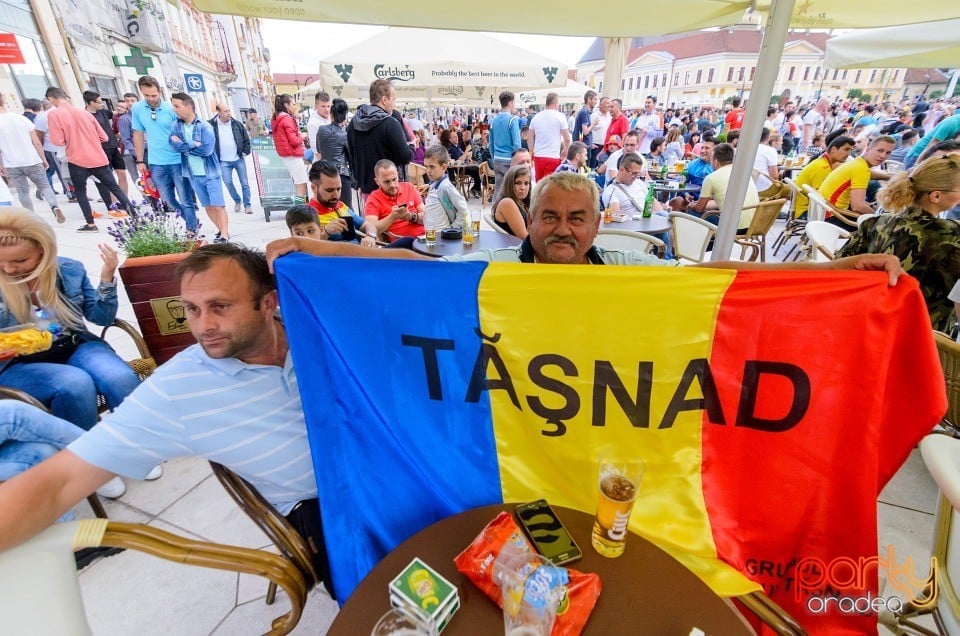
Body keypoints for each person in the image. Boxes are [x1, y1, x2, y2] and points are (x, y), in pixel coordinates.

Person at [0, 243, 334, 597]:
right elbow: (58, 483)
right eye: (192, 309)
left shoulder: (316, 330)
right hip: (322, 511)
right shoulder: (177, 389)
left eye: (220, 306)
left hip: (382, 470)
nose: (204, 326)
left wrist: (319, 247)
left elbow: (396, 273)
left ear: (268, 303)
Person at [265, 172, 903, 288]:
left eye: (576, 219)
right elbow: (412, 265)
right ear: (530, 219)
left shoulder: (624, 269)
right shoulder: (501, 270)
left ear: (599, 224)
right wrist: (311, 246)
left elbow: (717, 272)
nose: (561, 230)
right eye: (549, 216)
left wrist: (832, 270)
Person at [837, 154, 960, 333]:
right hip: (922, 333)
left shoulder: (874, 223)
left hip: (865, 322)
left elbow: (840, 266)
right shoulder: (949, 235)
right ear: (936, 195)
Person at [45, 88, 136, 232]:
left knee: (81, 192)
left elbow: (57, 140)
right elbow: (104, 137)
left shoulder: (54, 115)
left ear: (51, 99)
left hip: (77, 159)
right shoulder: (84, 113)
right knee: (115, 188)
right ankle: (135, 218)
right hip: (98, 157)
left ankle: (91, 224)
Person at [131, 75, 198, 237]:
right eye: (146, 95)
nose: (151, 99)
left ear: (159, 91)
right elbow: (138, 134)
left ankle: (191, 228)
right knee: (167, 200)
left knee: (185, 198)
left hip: (177, 160)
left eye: (154, 95)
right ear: (141, 92)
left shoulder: (171, 109)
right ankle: (191, 220)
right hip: (156, 162)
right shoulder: (138, 109)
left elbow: (187, 128)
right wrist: (140, 160)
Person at [170, 93, 229, 243]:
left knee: (218, 205)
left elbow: (206, 150)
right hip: (192, 173)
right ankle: (219, 229)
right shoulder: (176, 125)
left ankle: (225, 234)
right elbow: (172, 145)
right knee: (208, 206)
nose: (175, 110)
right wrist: (193, 144)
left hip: (210, 173)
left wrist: (184, 146)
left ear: (188, 107)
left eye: (177, 106)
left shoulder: (204, 126)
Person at [347, 80, 413, 202]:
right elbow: (404, 157)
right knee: (393, 221)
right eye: (393, 99)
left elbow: (351, 156)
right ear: (384, 100)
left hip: (366, 190)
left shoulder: (353, 123)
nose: (394, 104)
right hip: (389, 190)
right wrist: (412, 147)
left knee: (372, 221)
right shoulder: (390, 123)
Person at [0, 93, 62, 223]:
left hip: (12, 164)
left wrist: (1, 164)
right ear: (4, 101)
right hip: (32, 160)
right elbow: (36, 142)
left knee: (22, 191)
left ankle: (31, 218)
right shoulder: (20, 118)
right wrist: (43, 158)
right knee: (45, 186)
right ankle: (54, 206)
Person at [818, 135, 896, 224]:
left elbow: (872, 174)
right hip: (831, 217)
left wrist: (892, 176)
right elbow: (858, 206)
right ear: (868, 149)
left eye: (888, 153)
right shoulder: (861, 169)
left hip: (824, 212)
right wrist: (879, 218)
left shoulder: (858, 163)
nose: (883, 156)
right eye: (880, 150)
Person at [303, 160, 376, 246]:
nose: (336, 195)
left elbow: (366, 225)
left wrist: (370, 236)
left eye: (338, 189)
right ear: (314, 188)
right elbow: (308, 246)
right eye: (329, 190)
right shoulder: (307, 214)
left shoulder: (340, 206)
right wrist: (326, 232)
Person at [692, 142, 759, 232]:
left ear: (715, 161)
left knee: (692, 213)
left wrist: (692, 205)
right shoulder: (743, 172)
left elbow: (699, 208)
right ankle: (711, 244)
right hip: (755, 225)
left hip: (732, 228)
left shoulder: (711, 178)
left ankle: (703, 245)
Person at [792, 135, 855, 219]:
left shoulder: (822, 162)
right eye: (846, 149)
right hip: (806, 211)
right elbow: (823, 198)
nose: (848, 154)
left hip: (805, 208)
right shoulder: (822, 167)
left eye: (851, 150)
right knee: (851, 215)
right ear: (833, 149)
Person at [83, 91, 129, 206]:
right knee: (109, 179)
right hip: (101, 150)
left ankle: (125, 201)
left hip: (114, 147)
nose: (101, 104)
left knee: (122, 174)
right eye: (98, 102)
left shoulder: (103, 112)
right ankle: (114, 204)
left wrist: (124, 109)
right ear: (91, 103)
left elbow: (115, 113)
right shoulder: (85, 116)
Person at [209, 102, 253, 216]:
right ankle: (237, 200)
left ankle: (247, 204)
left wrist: (245, 152)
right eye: (225, 111)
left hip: (238, 158)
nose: (228, 113)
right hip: (223, 160)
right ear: (218, 112)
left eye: (229, 110)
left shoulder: (237, 124)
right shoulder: (211, 125)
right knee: (227, 182)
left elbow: (246, 140)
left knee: (245, 183)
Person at [363, 159, 425, 239]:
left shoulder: (409, 187)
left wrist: (411, 217)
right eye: (387, 182)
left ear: (398, 175)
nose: (392, 185)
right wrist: (392, 217)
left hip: (423, 237)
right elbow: (371, 230)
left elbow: (428, 216)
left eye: (394, 179)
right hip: (400, 243)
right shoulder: (373, 199)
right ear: (377, 181)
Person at [315, 98, 354, 212]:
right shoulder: (344, 134)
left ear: (331, 114)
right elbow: (351, 157)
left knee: (327, 208)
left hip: (324, 173)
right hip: (341, 174)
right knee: (346, 208)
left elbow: (318, 149)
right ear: (344, 116)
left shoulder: (321, 130)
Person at [601, 152, 664, 217]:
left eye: (638, 174)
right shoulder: (612, 191)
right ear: (621, 169)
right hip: (633, 224)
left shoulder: (639, 182)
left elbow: (652, 202)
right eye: (634, 173)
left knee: (665, 214)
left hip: (650, 220)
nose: (635, 177)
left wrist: (661, 216)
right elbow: (616, 216)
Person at [271, 94, 307, 205]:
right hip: (293, 155)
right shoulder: (287, 119)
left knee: (298, 183)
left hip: (286, 155)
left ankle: (300, 207)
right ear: (286, 105)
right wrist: (303, 136)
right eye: (294, 104)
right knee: (301, 185)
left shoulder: (277, 118)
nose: (295, 107)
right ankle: (300, 209)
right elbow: (294, 141)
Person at [422, 145, 468, 232]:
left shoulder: (445, 186)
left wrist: (451, 229)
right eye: (426, 166)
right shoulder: (434, 184)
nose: (428, 170)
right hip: (432, 235)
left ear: (444, 167)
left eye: (432, 167)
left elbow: (463, 209)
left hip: (443, 238)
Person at [32, 99, 71, 201]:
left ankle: (42, 188)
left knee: (51, 170)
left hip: (58, 147)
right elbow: (38, 135)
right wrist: (42, 150)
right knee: (62, 171)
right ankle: (70, 193)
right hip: (53, 148)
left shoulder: (55, 113)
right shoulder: (44, 116)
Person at [529, 93, 571, 180]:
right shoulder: (560, 116)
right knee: (550, 186)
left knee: (539, 185)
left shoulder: (536, 117)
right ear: (556, 103)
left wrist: (531, 152)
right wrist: (565, 149)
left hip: (538, 156)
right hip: (552, 156)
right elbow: (567, 138)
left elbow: (530, 138)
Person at [491, 165, 531, 239]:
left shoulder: (522, 202)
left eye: (526, 183)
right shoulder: (507, 203)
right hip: (515, 248)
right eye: (518, 183)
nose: (523, 188)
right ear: (509, 184)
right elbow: (525, 238)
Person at [116, 93, 140, 186]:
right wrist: (136, 154)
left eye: (132, 101)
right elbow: (125, 139)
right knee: (136, 178)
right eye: (127, 101)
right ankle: (148, 199)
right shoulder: (124, 119)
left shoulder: (142, 116)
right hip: (130, 153)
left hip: (145, 151)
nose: (130, 103)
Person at [306, 91, 331, 158]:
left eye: (328, 106)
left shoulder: (330, 118)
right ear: (316, 106)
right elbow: (315, 149)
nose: (327, 109)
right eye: (323, 106)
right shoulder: (313, 123)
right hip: (324, 161)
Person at [590, 97, 611, 169]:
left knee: (602, 168)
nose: (609, 105)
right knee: (593, 167)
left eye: (609, 103)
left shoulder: (610, 116)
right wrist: (590, 143)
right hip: (596, 146)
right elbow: (588, 130)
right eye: (607, 103)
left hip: (607, 147)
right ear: (600, 105)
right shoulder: (594, 116)